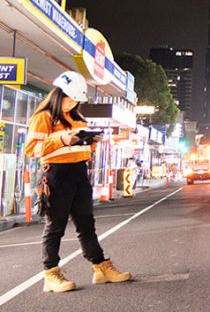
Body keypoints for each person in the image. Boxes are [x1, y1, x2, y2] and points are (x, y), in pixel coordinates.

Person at [25, 71, 131, 293]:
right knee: (55, 226)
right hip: (56, 174)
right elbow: (32, 150)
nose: (73, 103)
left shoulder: (78, 118)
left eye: (76, 100)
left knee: (86, 224)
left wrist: (92, 141)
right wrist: (61, 138)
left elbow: (82, 150)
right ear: (58, 95)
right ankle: (51, 274)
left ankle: (101, 267)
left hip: (80, 173)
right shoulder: (44, 117)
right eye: (70, 99)